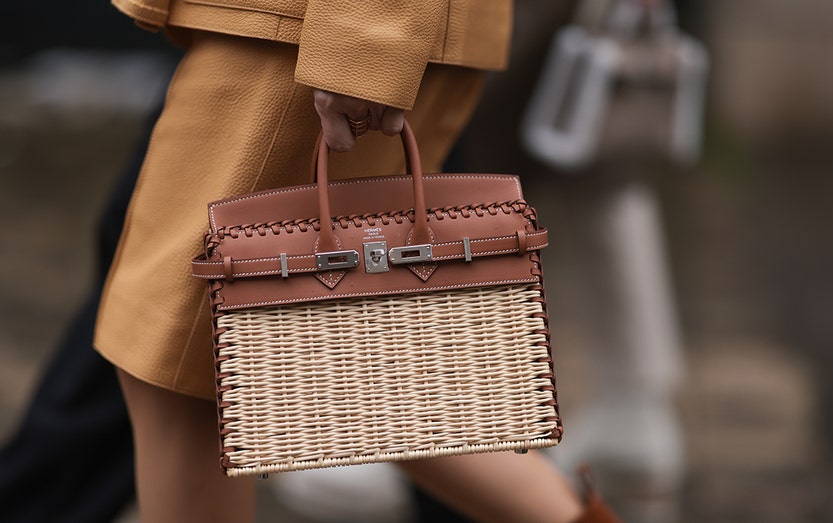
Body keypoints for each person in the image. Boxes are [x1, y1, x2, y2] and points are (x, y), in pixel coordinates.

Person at [94, 0, 623, 522]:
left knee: (181, 369)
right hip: (315, 29)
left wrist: (366, 36)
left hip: (315, 31)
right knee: (357, 375)